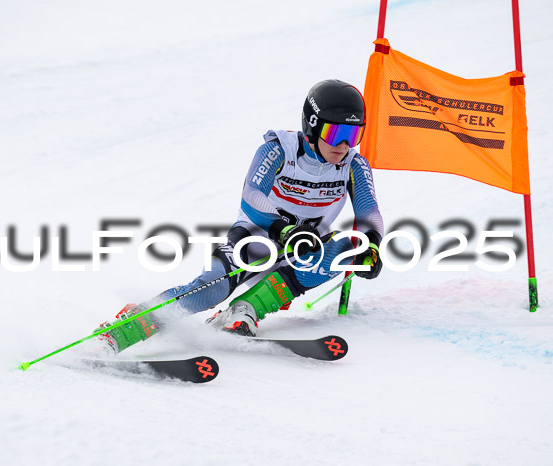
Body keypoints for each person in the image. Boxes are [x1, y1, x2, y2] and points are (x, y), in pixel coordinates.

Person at [94, 79, 384, 356]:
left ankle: (245, 309)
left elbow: (368, 210)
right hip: (256, 240)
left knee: (351, 247)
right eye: (336, 134)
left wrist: (372, 246)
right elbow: (252, 194)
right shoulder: (278, 150)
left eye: (353, 135)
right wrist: (283, 230)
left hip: (305, 249)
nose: (344, 146)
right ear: (312, 126)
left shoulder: (354, 164)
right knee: (212, 288)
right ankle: (122, 330)